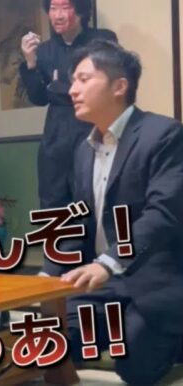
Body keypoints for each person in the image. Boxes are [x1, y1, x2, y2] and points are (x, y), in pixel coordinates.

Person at [51, 40, 183, 385]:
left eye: (83, 79)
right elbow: (78, 222)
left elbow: (162, 214)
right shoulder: (83, 149)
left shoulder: (163, 135)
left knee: (135, 365)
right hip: (103, 286)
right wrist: (46, 276)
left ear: (119, 86)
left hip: (152, 282)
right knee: (48, 343)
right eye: (72, 81)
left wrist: (109, 261)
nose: (72, 90)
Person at [19, 0, 117, 210]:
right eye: (53, 8)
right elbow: (39, 98)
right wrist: (31, 63)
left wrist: (57, 88)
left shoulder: (102, 41)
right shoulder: (45, 50)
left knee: (94, 202)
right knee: (53, 205)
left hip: (92, 133)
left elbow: (105, 88)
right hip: (55, 139)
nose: (58, 15)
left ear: (81, 10)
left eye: (65, 7)